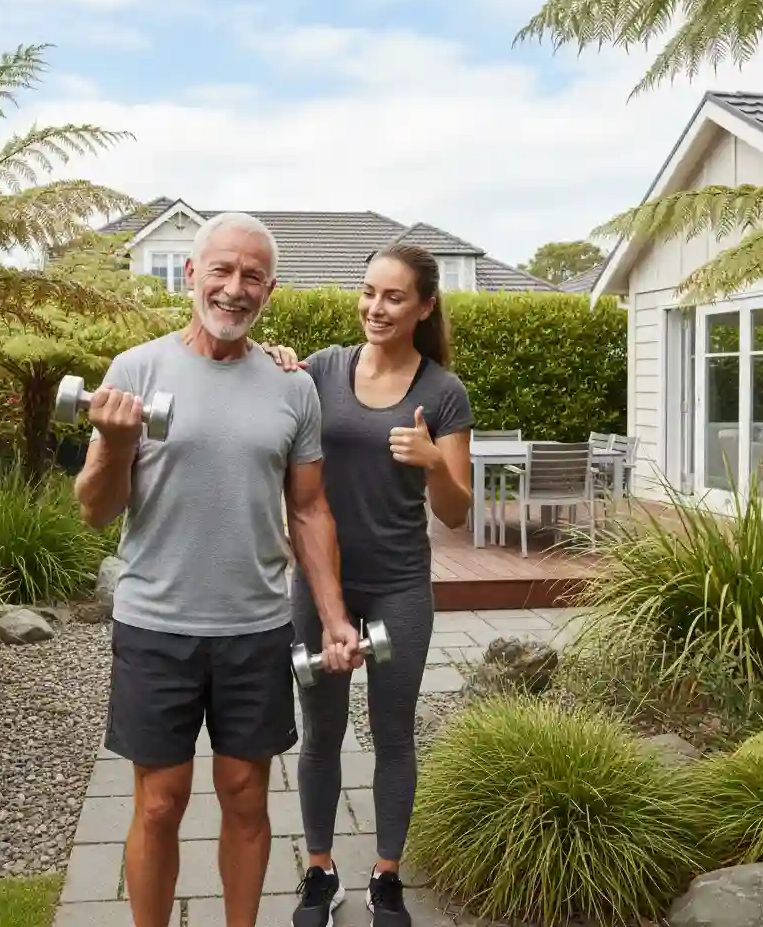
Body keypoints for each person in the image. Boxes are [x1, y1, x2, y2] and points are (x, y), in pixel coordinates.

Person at [74, 211, 362, 927]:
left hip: (255, 627)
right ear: (192, 274)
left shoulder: (292, 387)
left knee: (243, 795)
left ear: (270, 290)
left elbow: (311, 511)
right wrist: (113, 443)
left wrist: (333, 616)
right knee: (160, 801)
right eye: (222, 271)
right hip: (155, 624)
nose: (235, 288)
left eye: (253, 277)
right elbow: (95, 510)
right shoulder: (136, 370)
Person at [262, 242, 474, 927]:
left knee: (393, 733)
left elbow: (457, 510)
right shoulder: (322, 369)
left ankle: (386, 875)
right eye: (368, 292)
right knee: (319, 731)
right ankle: (319, 872)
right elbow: (268, 416)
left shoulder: (442, 392)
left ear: (423, 306)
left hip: (399, 588)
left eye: (392, 296)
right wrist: (274, 369)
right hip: (318, 583)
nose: (375, 308)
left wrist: (434, 460)